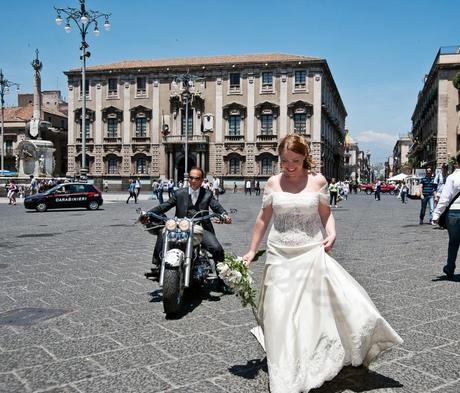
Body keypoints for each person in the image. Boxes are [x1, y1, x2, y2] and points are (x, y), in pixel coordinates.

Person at [242, 133, 402, 393]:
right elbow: (263, 219)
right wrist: (251, 252)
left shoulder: (318, 181)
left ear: (305, 157)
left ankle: (311, 354)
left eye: (295, 160)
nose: (289, 166)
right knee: (279, 310)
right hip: (279, 253)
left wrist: (332, 232)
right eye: (284, 161)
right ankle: (285, 365)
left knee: (312, 310)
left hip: (310, 251)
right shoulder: (272, 183)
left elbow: (326, 215)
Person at [149, 167, 232, 285]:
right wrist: (148, 213)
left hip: (201, 227)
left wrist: (224, 215)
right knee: (163, 233)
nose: (193, 181)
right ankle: (158, 265)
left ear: (202, 180)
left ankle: (221, 279)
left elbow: (216, 207)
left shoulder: (207, 194)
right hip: (180, 226)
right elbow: (165, 206)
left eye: (197, 178)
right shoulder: (179, 193)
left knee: (217, 248)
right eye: (191, 178)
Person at [432, 152, 460, 279]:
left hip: (454, 213)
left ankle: (449, 268)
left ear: (457, 163)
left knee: (453, 242)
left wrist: (436, 215)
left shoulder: (452, 178)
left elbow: (444, 199)